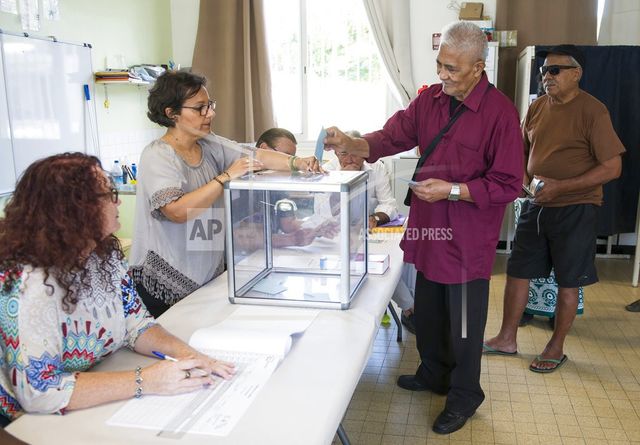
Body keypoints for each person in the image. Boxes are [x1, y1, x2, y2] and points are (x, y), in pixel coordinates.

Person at [323, 22, 523, 434]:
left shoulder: (500, 113)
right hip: (428, 229)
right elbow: (390, 137)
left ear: (477, 68)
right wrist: (350, 142)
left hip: (467, 238)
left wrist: (452, 190)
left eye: (452, 68)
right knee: (429, 313)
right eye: (439, 65)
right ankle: (433, 372)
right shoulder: (430, 100)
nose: (443, 75)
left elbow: (508, 184)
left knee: (465, 327)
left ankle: (465, 395)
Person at [0, 153, 235, 425]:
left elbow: (137, 324)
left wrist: (191, 356)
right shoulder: (28, 283)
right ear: (73, 209)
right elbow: (40, 391)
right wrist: (145, 380)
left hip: (90, 385)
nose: (118, 201)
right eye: (110, 194)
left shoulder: (104, 254)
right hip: (23, 421)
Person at [130, 71, 321, 317]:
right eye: (200, 108)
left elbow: (257, 156)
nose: (210, 113)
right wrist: (225, 177)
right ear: (171, 113)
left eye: (210, 105)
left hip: (205, 275)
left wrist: (298, 163)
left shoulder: (209, 145)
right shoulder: (157, 155)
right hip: (164, 281)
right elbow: (176, 211)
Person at [483, 44, 625, 373]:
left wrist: (562, 187)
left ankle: (555, 347)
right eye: (544, 71)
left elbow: (612, 167)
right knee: (517, 271)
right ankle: (506, 338)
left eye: (555, 70)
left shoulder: (594, 111)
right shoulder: (536, 109)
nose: (547, 76)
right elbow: (519, 151)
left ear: (577, 74)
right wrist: (526, 182)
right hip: (536, 203)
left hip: (576, 207)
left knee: (567, 280)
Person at [324, 130, 399, 229]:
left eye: (355, 153)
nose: (349, 160)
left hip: (368, 231)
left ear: (364, 154)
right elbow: (323, 213)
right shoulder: (327, 171)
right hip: (338, 230)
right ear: (336, 154)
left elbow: (389, 204)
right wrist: (342, 178)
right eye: (344, 154)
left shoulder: (377, 167)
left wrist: (375, 218)